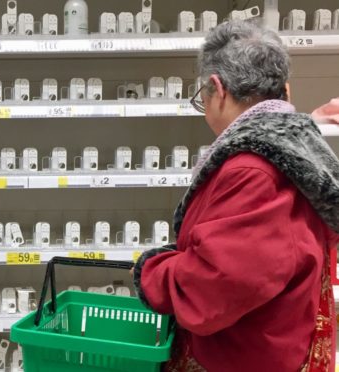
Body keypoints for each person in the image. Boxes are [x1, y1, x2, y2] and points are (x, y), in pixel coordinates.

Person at [133, 20, 339, 372]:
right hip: (281, 341)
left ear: (218, 89)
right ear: (284, 91)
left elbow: (211, 291)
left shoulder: (253, 171)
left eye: (204, 97)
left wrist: (152, 270)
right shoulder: (293, 148)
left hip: (245, 355)